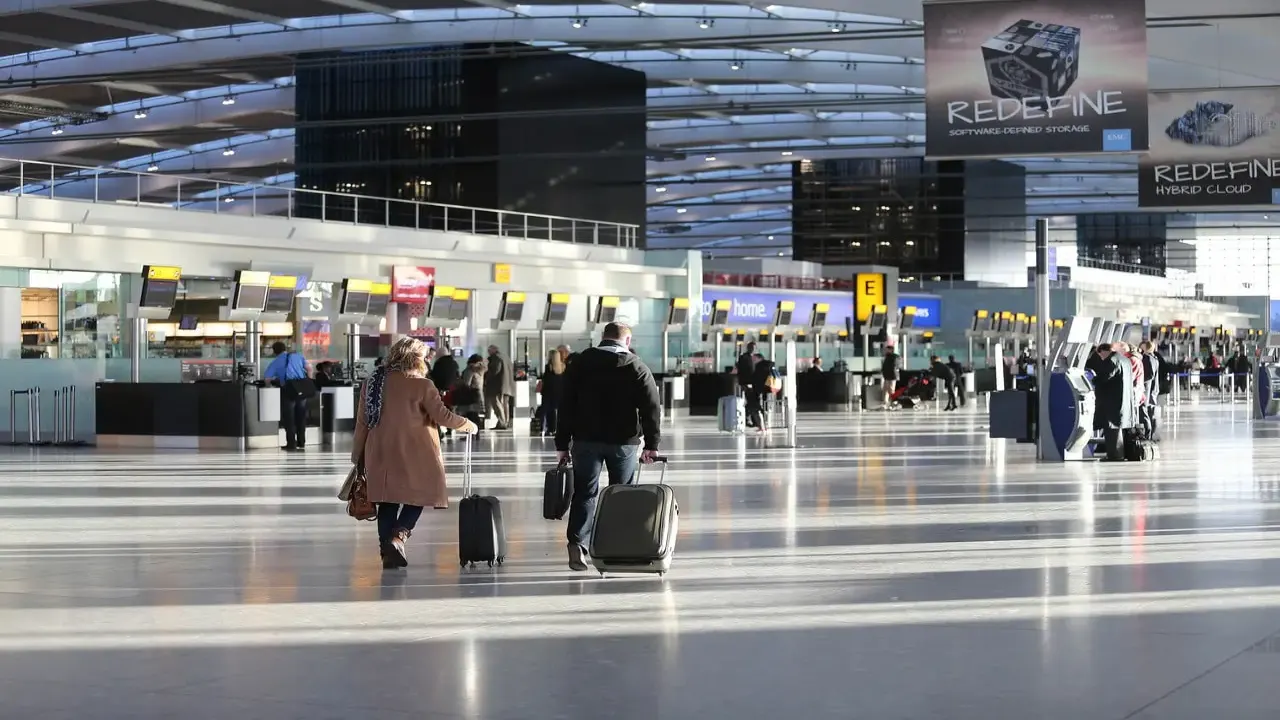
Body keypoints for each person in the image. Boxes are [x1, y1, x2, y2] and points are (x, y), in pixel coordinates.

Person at [352, 337, 477, 569]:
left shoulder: (373, 383)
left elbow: (362, 422)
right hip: (415, 451)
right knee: (421, 493)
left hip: (379, 450)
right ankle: (398, 537)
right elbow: (443, 417)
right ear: (417, 359)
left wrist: (357, 455)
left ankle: (387, 552)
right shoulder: (422, 385)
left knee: (387, 500)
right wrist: (468, 424)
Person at [555, 322, 662, 571]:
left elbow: (566, 405)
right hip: (623, 442)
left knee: (585, 493)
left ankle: (577, 544)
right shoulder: (636, 366)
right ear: (627, 340)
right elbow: (651, 407)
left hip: (585, 440)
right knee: (621, 494)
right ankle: (615, 546)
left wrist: (562, 444)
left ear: (603, 337)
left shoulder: (579, 363)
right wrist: (652, 444)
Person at [263, 340, 313, 451]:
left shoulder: (276, 361)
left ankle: (291, 443)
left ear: (274, 351)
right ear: (285, 348)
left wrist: (269, 386)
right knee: (301, 416)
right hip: (301, 389)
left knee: (289, 418)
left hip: (288, 391)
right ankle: (301, 442)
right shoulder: (298, 356)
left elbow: (267, 378)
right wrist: (307, 381)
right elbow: (309, 369)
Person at [1085, 343, 1129, 461]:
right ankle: (1117, 454)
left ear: (1104, 351)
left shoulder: (1112, 360)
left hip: (1111, 400)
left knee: (1111, 428)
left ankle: (1114, 455)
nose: (1101, 358)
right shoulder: (1124, 359)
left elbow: (1106, 376)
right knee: (1115, 428)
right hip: (1121, 399)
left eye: (1101, 355)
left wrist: (1093, 380)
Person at [430, 347, 462, 440]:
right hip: (452, 389)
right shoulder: (454, 363)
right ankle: (451, 427)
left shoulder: (439, 363)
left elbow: (434, 376)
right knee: (451, 409)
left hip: (441, 389)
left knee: (440, 409)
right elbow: (457, 376)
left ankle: (440, 429)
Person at [484, 344, 514, 430]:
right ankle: (505, 422)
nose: (488, 353)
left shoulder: (496, 358)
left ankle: (502, 422)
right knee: (505, 404)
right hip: (507, 385)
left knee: (497, 403)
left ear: (493, 350)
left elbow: (495, 370)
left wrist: (486, 374)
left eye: (489, 350)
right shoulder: (506, 357)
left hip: (497, 386)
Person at [455, 354, 486, 432]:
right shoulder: (481, 370)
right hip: (478, 394)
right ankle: (476, 434)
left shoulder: (470, 370)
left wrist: (458, 382)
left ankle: (470, 433)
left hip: (469, 395)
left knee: (469, 416)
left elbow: (466, 383)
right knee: (475, 416)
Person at [539, 348, 566, 437]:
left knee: (546, 411)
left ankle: (545, 428)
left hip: (548, 392)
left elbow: (546, 380)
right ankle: (554, 429)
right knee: (555, 410)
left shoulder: (549, 367)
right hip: (559, 391)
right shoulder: (563, 366)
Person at [747, 355, 778, 431]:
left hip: (760, 390)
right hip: (769, 390)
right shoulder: (770, 366)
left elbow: (756, 378)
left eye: (754, 358)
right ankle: (764, 426)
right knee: (764, 408)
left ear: (759, 358)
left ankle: (762, 426)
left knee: (757, 408)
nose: (753, 360)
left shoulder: (759, 366)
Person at [736, 341, 760, 426]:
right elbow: (740, 371)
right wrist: (742, 383)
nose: (752, 349)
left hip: (756, 383)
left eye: (754, 348)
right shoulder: (743, 358)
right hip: (747, 383)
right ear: (748, 348)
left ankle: (754, 420)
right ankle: (747, 417)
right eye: (751, 347)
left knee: (755, 401)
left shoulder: (757, 357)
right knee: (750, 401)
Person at [881, 345, 900, 411]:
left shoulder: (894, 357)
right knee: (885, 390)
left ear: (891, 350)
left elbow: (895, 366)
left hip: (892, 376)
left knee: (891, 390)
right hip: (887, 376)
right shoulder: (886, 357)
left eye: (887, 349)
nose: (886, 351)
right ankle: (886, 403)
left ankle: (892, 403)